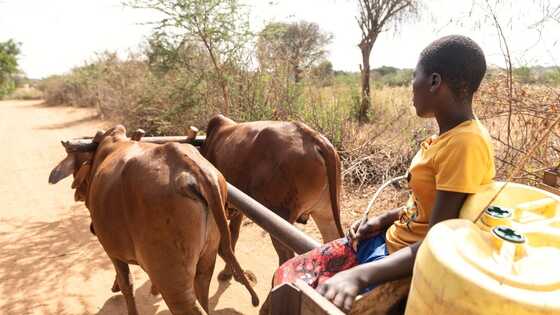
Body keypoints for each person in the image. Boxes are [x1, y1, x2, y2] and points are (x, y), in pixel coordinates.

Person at [273, 35, 496, 313]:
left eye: (415, 76)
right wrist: (381, 220)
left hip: (400, 261)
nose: (410, 86)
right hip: (386, 241)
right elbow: (423, 208)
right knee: (286, 277)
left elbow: (438, 242)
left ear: (435, 82)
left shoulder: (465, 144)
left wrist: (360, 275)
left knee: (299, 296)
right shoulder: (445, 138)